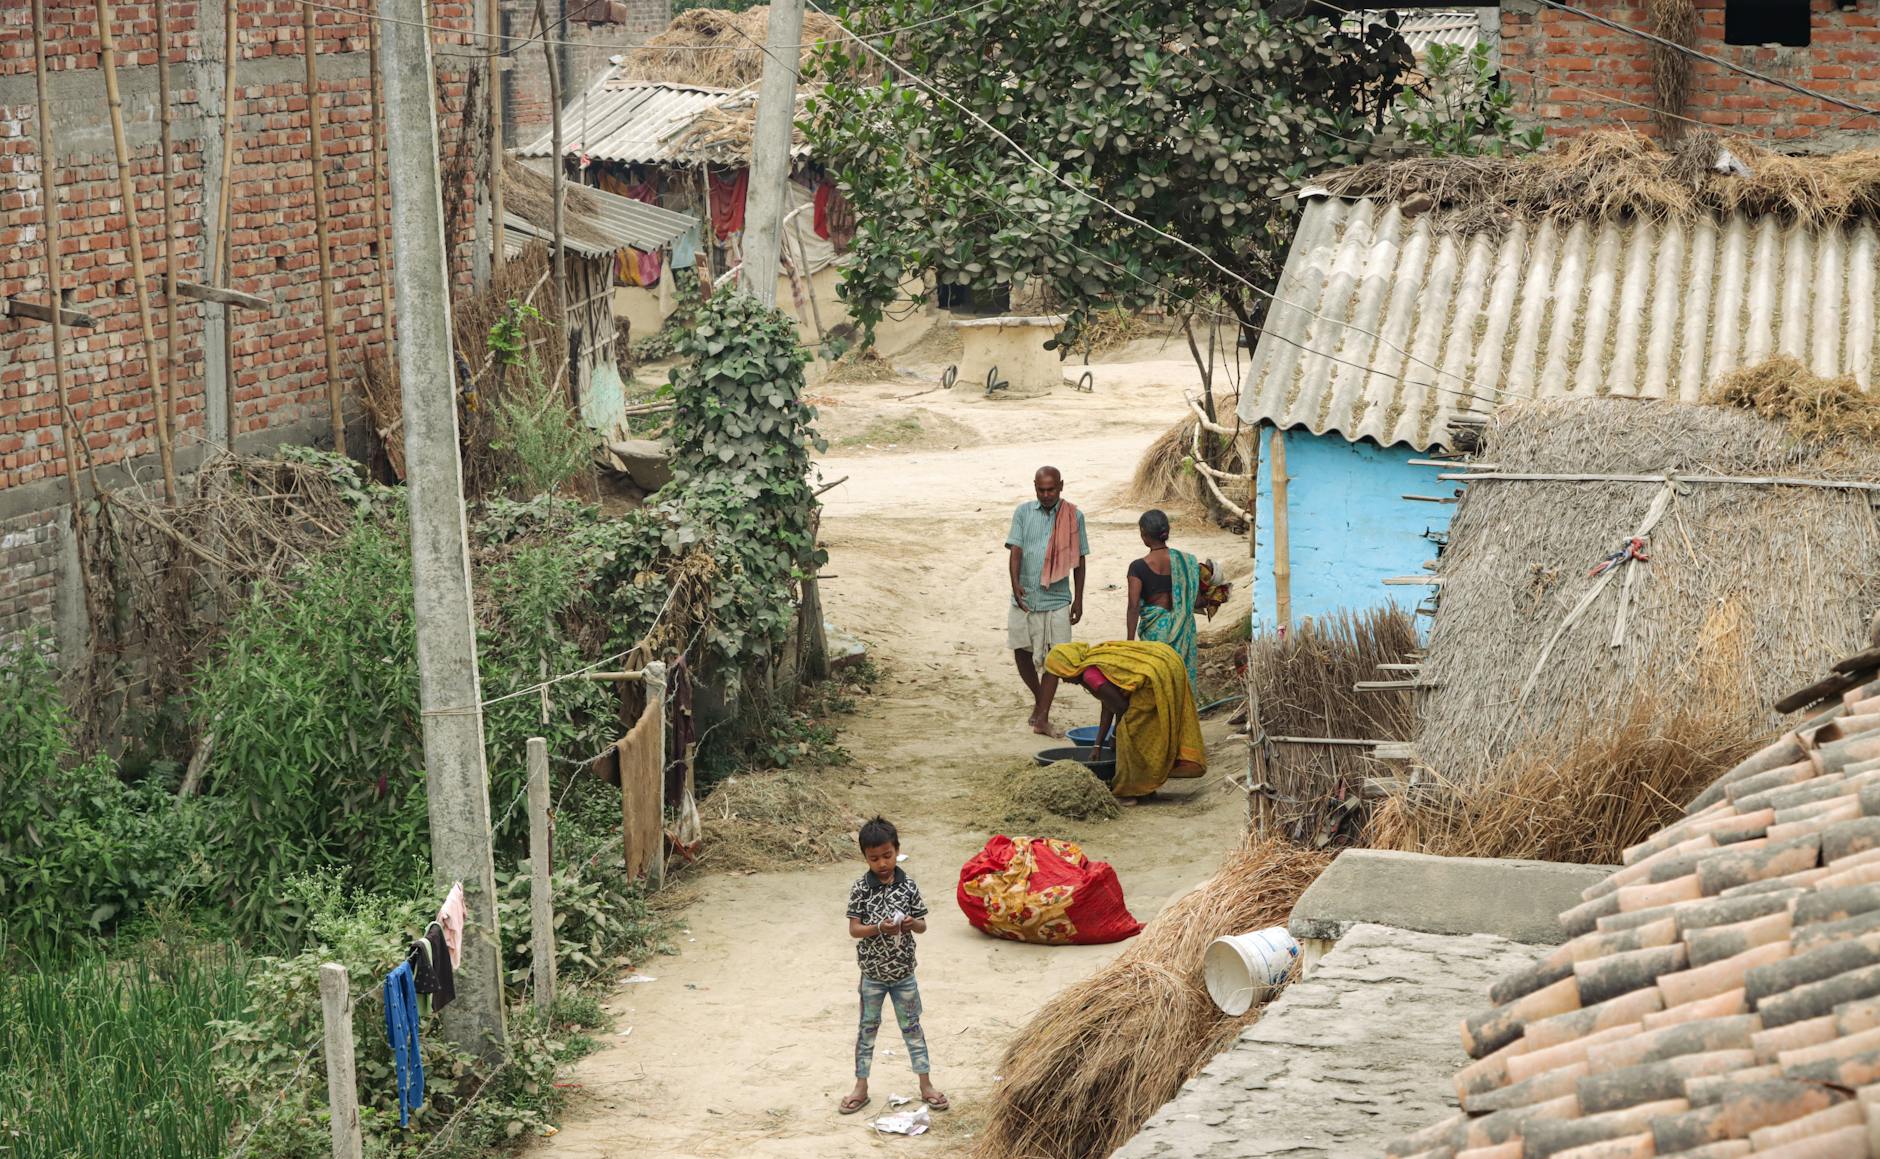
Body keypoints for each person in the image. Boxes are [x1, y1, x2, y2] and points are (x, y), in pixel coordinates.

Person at [840, 816, 948, 1116]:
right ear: (865, 857)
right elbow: (854, 929)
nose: (882, 863)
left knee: (912, 1028)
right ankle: (860, 1088)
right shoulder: (861, 888)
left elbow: (923, 925)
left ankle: (926, 1085)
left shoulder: (908, 885)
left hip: (904, 975)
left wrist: (912, 923)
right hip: (872, 976)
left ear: (897, 850)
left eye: (887, 856)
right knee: (867, 1030)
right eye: (874, 858)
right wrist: (878, 928)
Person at [1033, 641, 1208, 804]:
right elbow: (1108, 704)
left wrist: (1116, 735)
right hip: (1167, 663)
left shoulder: (1090, 676)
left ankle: (1129, 792)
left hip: (1156, 675)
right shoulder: (1092, 664)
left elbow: (1121, 707)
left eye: (1060, 674)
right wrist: (1098, 745)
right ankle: (1146, 787)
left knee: (1131, 733)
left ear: (1068, 667)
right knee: (1143, 729)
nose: (1064, 680)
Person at [1007, 466, 1088, 736]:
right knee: (1021, 651)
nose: (1046, 495)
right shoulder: (1022, 512)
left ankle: (1042, 716)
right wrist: (1015, 584)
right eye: (1041, 490)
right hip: (1027, 595)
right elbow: (1015, 550)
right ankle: (1040, 698)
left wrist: (1079, 599)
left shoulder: (1074, 516)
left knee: (1057, 656)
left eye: (1051, 489)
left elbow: (1080, 559)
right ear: (1035, 487)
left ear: (1061, 486)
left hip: (1057, 597)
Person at [1126, 509, 1203, 693]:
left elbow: (1133, 607)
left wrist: (1129, 643)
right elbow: (1197, 602)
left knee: (1157, 684)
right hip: (1184, 632)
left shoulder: (1137, 567)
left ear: (1143, 534)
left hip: (1155, 635)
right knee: (1181, 683)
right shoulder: (1187, 562)